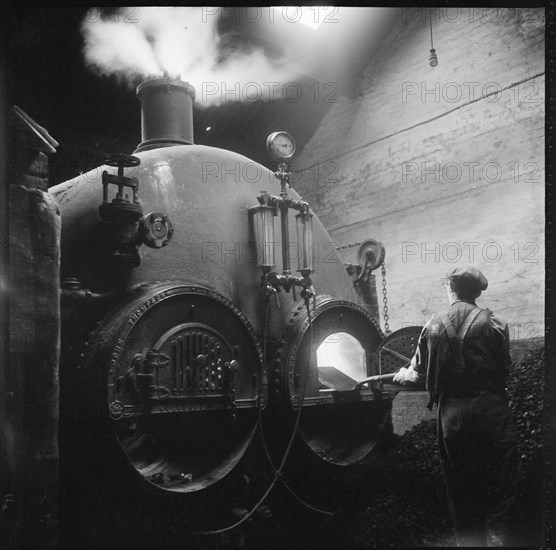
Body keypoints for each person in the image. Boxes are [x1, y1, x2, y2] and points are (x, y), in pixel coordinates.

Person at [393, 266, 520, 547]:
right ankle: (499, 540)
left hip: (453, 416)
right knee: (501, 481)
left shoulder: (433, 325)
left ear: (450, 289)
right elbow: (504, 367)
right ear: (477, 292)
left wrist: (401, 373)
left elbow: (415, 374)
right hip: (492, 410)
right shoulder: (496, 323)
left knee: (461, 487)